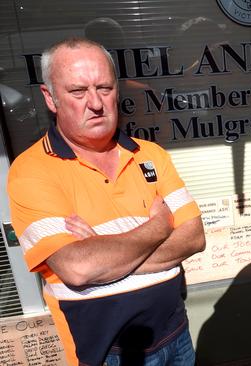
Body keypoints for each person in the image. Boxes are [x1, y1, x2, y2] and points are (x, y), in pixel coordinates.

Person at [7, 37, 206, 365]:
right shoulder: (32, 170)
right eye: (78, 91)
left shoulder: (150, 155)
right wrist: (159, 225)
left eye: (104, 88)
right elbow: (78, 268)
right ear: (51, 98)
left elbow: (194, 237)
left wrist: (103, 250)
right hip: (104, 352)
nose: (96, 103)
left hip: (176, 336)